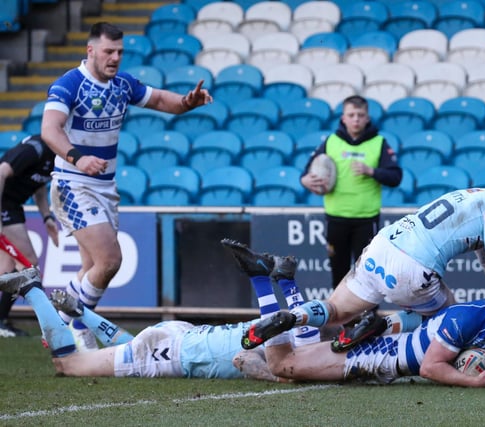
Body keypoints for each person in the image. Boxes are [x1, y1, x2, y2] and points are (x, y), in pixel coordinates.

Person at [242, 160, 485, 352]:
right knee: (450, 319)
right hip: (415, 265)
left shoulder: (479, 196)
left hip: (382, 246)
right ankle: (380, 325)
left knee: (336, 311)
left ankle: (292, 317)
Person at [39, 22, 212, 350]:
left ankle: (57, 326)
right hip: (74, 183)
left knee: (92, 267)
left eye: (120, 52)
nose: (115, 57)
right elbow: (50, 129)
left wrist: (188, 101)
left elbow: (162, 100)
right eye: (108, 51)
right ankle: (76, 325)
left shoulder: (121, 85)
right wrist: (78, 158)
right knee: (110, 260)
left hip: (105, 186)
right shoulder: (69, 85)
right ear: (91, 50)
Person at [224, 241, 485, 387]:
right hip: (380, 356)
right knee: (284, 366)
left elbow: (470, 359)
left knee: (288, 368)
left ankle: (288, 291)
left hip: (393, 346)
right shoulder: (468, 316)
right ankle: (263, 284)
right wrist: (475, 383)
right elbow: (430, 368)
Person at [0, 248, 310, 380]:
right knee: (68, 365)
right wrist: (282, 376)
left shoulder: (290, 330)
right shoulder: (287, 348)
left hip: (178, 338)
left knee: (120, 349)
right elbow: (242, 359)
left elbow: (247, 355)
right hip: (174, 350)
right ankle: (32, 289)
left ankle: (79, 312)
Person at [300, 95, 402, 289]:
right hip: (335, 218)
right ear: (343, 118)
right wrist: (305, 180)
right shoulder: (330, 142)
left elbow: (395, 177)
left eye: (360, 115)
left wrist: (371, 171)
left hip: (366, 219)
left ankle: (368, 318)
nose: (356, 119)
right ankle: (341, 318)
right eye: (351, 114)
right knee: (338, 272)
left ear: (367, 118)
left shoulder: (379, 143)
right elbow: (306, 173)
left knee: (368, 273)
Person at [0, 134, 58, 337]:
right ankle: (51, 326)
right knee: (28, 264)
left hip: (13, 206)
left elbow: (39, 187)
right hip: (4, 205)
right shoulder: (34, 149)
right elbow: (0, 172)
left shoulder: (56, 156)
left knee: (8, 269)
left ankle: (1, 322)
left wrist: (47, 217)